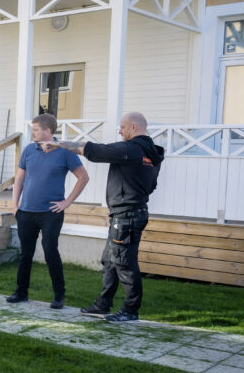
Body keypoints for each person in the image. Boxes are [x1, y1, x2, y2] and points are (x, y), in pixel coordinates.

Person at [41, 111, 164, 323]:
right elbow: (151, 186)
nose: (119, 131)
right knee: (110, 260)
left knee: (125, 263)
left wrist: (59, 143)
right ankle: (102, 305)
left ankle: (131, 310)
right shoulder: (151, 155)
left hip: (127, 215)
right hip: (128, 213)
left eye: (123, 127)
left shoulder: (131, 149)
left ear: (134, 128)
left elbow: (94, 151)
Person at [8, 113, 89, 309]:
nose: (33, 133)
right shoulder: (29, 150)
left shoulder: (65, 152)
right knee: (25, 254)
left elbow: (83, 177)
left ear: (48, 131)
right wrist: (15, 204)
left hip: (50, 213)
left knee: (50, 251)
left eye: (36, 129)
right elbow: (19, 179)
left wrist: (66, 202)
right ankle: (21, 293)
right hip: (26, 211)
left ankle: (59, 295)